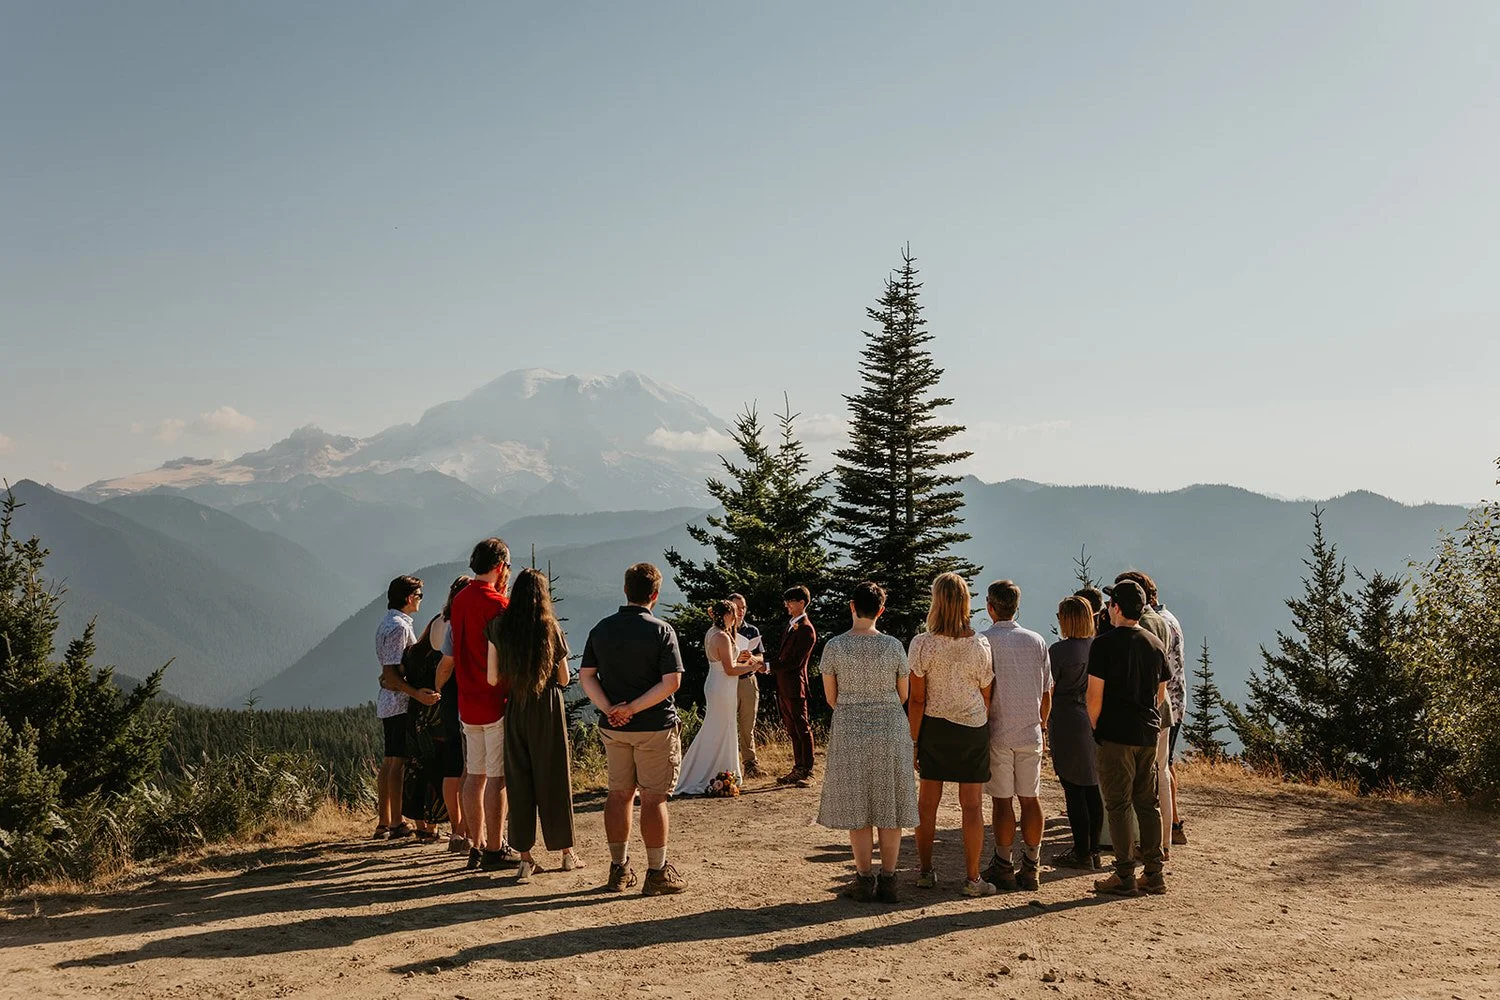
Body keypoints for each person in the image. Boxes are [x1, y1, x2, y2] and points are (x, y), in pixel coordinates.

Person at [578, 562, 688, 896]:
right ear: (655, 594)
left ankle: (619, 869)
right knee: (654, 800)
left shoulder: (601, 629)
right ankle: (657, 872)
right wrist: (635, 708)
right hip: (655, 726)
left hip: (614, 729)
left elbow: (586, 677)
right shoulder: (661, 630)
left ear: (626, 591)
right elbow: (672, 682)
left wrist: (611, 709)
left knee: (618, 795)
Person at [816, 581, 917, 904]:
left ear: (851, 607)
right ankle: (889, 879)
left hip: (850, 726)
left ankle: (863, 878)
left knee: (857, 805)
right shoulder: (893, 646)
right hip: (890, 726)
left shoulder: (834, 646)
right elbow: (904, 695)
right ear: (881, 611)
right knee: (889, 804)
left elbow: (831, 697)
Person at [486, 567, 583, 882]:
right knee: (555, 777)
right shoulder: (550, 627)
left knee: (519, 780)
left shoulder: (499, 627)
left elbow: (492, 677)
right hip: (548, 707)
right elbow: (565, 678)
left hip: (516, 705)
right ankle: (567, 853)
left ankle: (525, 858)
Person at [909, 572, 997, 898]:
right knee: (972, 806)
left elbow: (917, 698)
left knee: (927, 804)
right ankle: (973, 879)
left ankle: (925, 871)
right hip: (972, 727)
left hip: (934, 727)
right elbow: (987, 691)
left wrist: (914, 740)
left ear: (936, 601)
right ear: (965, 603)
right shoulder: (980, 644)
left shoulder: (922, 644)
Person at [1087, 579, 1170, 896]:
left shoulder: (1104, 644)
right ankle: (1154, 872)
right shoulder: (1154, 643)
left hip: (1115, 734)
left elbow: (1094, 697)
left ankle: (1123, 875)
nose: (1107, 608)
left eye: (1110, 603)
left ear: (1116, 608)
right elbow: (1159, 694)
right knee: (1147, 803)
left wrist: (1097, 727)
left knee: (1119, 804)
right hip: (1147, 732)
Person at [438, 539, 514, 871]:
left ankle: (476, 843)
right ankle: (496, 849)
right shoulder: (499, 604)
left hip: (466, 699)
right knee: (497, 778)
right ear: (499, 566)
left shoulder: (460, 600)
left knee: (475, 773)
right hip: (494, 699)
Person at [979, 580, 1052, 892]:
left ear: (990, 607)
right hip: (1030, 729)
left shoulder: (984, 641)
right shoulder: (1036, 641)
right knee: (1030, 798)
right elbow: (1048, 691)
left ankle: (1004, 862)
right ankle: (1032, 865)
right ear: (1016, 606)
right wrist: (1042, 724)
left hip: (998, 730)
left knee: (1002, 801)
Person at [1112, 570, 1175, 860]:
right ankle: (1164, 842)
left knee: (1133, 789)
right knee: (1158, 775)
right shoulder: (1163, 622)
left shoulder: (1142, 627)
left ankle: (1136, 850)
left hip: (1139, 714)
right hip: (1159, 711)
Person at [374, 575, 438, 840]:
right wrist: (416, 694)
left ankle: (384, 821)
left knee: (389, 761)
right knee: (398, 761)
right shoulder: (400, 627)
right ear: (410, 597)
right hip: (399, 702)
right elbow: (392, 673)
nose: (421, 600)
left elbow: (386, 673)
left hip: (387, 702)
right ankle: (397, 822)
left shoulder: (386, 623)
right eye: (419, 595)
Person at [675, 600, 761, 795]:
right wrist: (752, 667)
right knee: (718, 729)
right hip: (722, 686)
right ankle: (706, 772)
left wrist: (739, 660)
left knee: (720, 728)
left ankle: (721, 770)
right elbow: (730, 669)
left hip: (718, 683)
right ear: (726, 615)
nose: (736, 617)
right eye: (733, 614)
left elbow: (725, 661)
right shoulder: (721, 636)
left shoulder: (712, 632)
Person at [1048, 595, 1103, 869]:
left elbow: (1049, 690)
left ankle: (1081, 851)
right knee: (1092, 785)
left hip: (1067, 720)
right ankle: (1093, 849)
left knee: (1073, 787)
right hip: (1092, 718)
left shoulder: (1059, 651)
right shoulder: (1098, 647)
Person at [430, 575, 473, 854]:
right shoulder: (462, 622)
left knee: (451, 765)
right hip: (465, 691)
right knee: (471, 765)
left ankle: (454, 826)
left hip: (446, 696)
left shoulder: (437, 622)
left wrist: (437, 687)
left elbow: (437, 656)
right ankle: (465, 829)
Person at [1151, 586, 1189, 846]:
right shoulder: (1169, 618)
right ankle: (1174, 824)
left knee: (1161, 767)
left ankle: (1170, 826)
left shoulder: (1156, 625)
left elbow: (1156, 668)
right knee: (1167, 765)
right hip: (1175, 700)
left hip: (1163, 704)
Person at [768, 585, 817, 786]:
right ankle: (798, 767)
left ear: (801, 603)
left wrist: (768, 666)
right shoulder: (792, 625)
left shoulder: (806, 629)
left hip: (796, 685)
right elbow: (782, 656)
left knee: (801, 727)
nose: (786, 605)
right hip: (784, 684)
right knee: (792, 728)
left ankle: (806, 769)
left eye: (790, 601)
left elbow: (794, 662)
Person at [729, 593, 768, 779]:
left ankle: (750, 764)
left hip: (748, 680)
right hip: (728, 682)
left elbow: (761, 656)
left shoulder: (752, 630)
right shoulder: (724, 631)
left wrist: (750, 657)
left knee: (747, 724)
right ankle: (727, 764)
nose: (741, 611)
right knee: (726, 724)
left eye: (743, 607)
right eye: (737, 607)